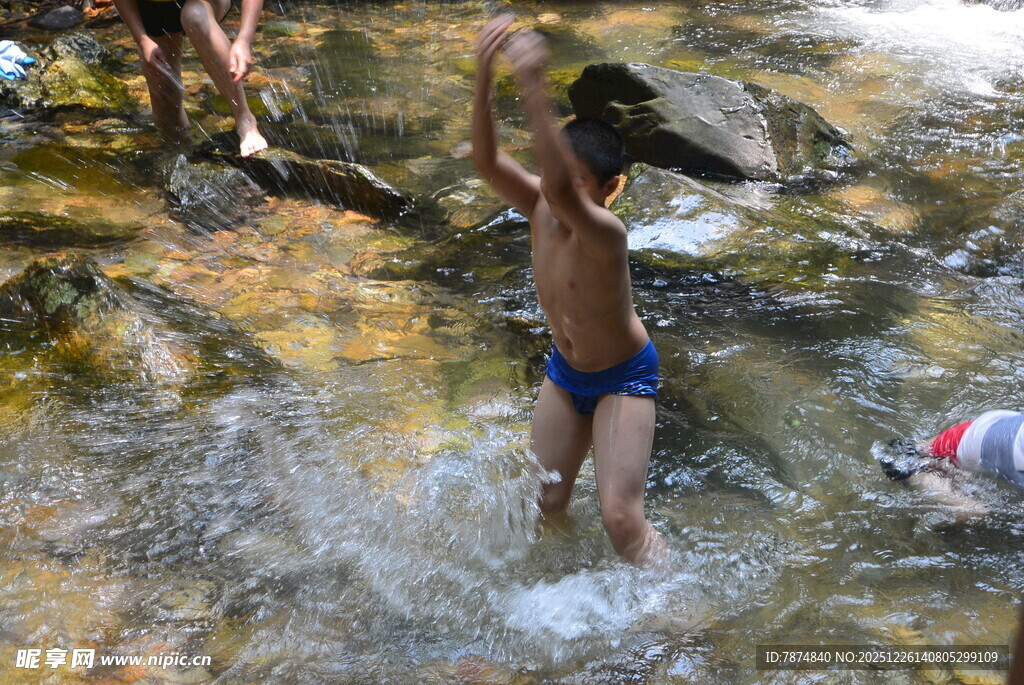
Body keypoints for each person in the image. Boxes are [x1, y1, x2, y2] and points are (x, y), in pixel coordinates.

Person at [472, 15, 666, 565]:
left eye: (581, 185)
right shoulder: (539, 202)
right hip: (565, 372)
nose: (563, 193)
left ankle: (675, 612)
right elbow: (486, 161)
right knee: (544, 500)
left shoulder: (607, 232)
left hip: (624, 377)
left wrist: (535, 87)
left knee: (621, 517)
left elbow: (556, 184)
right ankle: (570, 583)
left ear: (609, 189)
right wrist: (485, 74)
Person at [112, 0, 268, 156]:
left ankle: (245, 120)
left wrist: (244, 40)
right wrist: (142, 39)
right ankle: (183, 156)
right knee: (164, 94)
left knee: (195, 15)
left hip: (203, 3)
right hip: (153, 7)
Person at [878, 410, 1024, 490]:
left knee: (923, 450)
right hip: (965, 444)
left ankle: (910, 456)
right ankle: (908, 475)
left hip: (982, 427)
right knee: (974, 512)